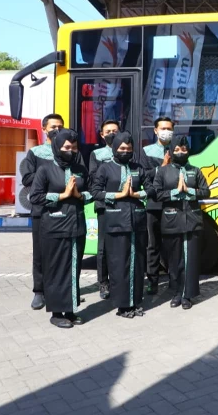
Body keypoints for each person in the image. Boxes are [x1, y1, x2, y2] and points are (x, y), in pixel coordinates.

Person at [29, 129, 92, 328]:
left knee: (74, 269)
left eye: (74, 148)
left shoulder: (80, 169)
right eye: (67, 147)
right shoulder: (45, 169)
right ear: (57, 147)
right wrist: (62, 196)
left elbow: (92, 192)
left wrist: (80, 196)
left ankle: (71, 310)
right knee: (57, 270)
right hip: (54, 227)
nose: (71, 151)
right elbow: (35, 197)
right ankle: (57, 313)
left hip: (76, 226)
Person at [21, 113, 82, 311]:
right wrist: (49, 177)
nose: (57, 129)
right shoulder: (36, 152)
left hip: (67, 210)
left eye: (60, 126)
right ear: (44, 129)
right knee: (40, 252)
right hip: (43, 209)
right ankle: (39, 290)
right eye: (53, 126)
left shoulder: (72, 150)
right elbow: (27, 178)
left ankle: (65, 291)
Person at [91, 132, 152, 318]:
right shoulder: (105, 168)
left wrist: (136, 195)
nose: (125, 152)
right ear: (115, 148)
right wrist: (118, 195)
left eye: (129, 149)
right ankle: (122, 305)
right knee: (119, 264)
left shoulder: (138, 167)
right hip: (116, 222)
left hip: (137, 222)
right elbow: (96, 191)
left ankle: (135, 302)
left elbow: (151, 188)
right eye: (122, 148)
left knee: (137, 262)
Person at [153, 135, 210, 309]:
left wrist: (189, 191)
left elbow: (206, 192)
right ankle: (176, 293)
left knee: (190, 259)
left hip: (192, 220)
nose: (180, 152)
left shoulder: (196, 170)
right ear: (171, 151)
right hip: (171, 221)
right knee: (174, 260)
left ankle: (188, 295)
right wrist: (176, 192)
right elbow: (156, 193)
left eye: (183, 149)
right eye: (177, 149)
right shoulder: (163, 171)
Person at [140, 117, 174, 295]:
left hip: (172, 203)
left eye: (169, 128)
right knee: (153, 245)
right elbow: (144, 176)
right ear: (155, 131)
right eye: (162, 128)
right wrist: (162, 167)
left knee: (171, 244)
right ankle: (152, 280)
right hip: (153, 204)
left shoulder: (178, 149)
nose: (166, 131)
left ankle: (173, 279)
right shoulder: (147, 151)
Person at [89, 119, 121, 301]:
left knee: (120, 246)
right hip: (104, 205)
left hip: (124, 204)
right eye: (108, 131)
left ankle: (118, 281)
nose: (111, 134)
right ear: (102, 135)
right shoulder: (96, 154)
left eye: (114, 130)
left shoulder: (126, 150)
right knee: (103, 247)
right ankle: (103, 282)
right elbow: (94, 178)